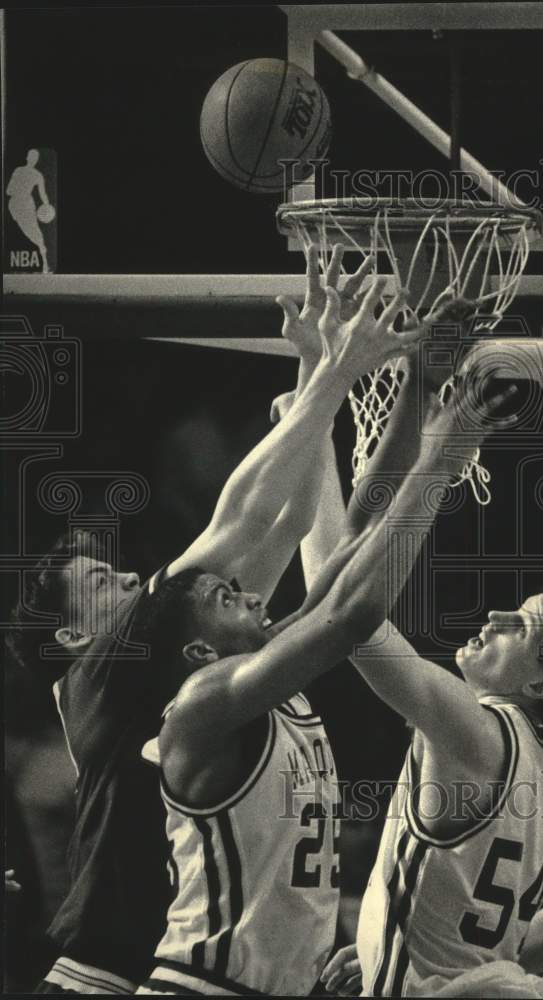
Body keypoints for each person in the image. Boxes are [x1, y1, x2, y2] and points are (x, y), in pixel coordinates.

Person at [6, 248, 417, 995]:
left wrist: (312, 373)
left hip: (176, 970)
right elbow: (243, 520)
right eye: (102, 582)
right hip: (99, 978)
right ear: (71, 638)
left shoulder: (184, 657)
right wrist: (332, 373)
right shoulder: (100, 674)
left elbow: (286, 527)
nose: (129, 577)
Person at [133, 305, 507, 996]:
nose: (249, 595)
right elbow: (351, 613)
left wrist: (419, 389)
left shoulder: (260, 675)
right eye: (225, 599)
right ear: (193, 651)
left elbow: (357, 538)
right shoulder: (203, 705)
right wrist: (440, 460)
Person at [299, 352, 543, 998]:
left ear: (540, 686)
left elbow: (339, 618)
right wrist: (467, 968)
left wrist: (313, 444)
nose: (498, 613)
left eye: (521, 627)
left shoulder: (473, 729)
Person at [6, 149, 52, 272]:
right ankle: (43, 263)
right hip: (16, 204)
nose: (33, 160)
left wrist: (47, 207)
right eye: (32, 157)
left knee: (35, 233)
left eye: (35, 158)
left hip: (25, 204)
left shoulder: (37, 175)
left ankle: (45, 265)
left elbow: (43, 195)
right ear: (28, 158)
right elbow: (8, 191)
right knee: (28, 231)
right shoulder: (21, 171)